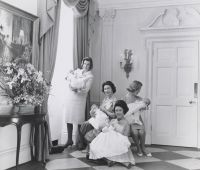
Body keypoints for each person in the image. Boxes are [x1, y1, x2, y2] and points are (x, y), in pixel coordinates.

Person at [89, 100, 135, 169]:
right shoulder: (114, 120)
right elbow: (107, 129)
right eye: (116, 110)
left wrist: (114, 129)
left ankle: (114, 160)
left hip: (120, 141)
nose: (118, 112)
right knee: (97, 146)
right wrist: (108, 127)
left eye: (120, 110)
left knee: (110, 139)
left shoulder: (126, 122)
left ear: (124, 111)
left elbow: (124, 136)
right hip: (110, 140)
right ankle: (109, 160)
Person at [63, 57, 94, 148]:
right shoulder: (77, 71)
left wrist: (76, 89)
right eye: (85, 64)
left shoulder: (90, 76)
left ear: (90, 66)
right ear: (82, 64)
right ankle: (69, 140)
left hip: (80, 99)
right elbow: (68, 79)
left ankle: (80, 141)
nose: (86, 66)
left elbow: (86, 90)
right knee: (69, 118)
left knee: (79, 120)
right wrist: (71, 85)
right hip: (70, 97)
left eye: (88, 64)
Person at [80, 81, 117, 154]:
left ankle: (90, 147)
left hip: (108, 121)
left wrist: (105, 110)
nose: (106, 90)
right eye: (105, 89)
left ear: (112, 89)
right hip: (101, 119)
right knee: (84, 125)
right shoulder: (105, 100)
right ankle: (89, 146)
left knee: (87, 125)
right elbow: (100, 112)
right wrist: (93, 113)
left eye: (108, 88)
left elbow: (114, 115)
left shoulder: (115, 101)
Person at [124, 80, 152, 157]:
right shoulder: (125, 98)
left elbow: (146, 106)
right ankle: (138, 148)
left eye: (139, 90)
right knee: (135, 133)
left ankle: (143, 148)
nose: (139, 91)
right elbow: (123, 110)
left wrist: (143, 106)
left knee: (142, 132)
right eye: (138, 89)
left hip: (138, 119)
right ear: (134, 89)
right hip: (130, 120)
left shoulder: (139, 99)